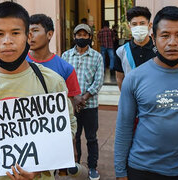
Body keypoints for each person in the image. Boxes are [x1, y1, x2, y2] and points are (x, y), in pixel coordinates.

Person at [0, 2, 76, 180]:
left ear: (28, 37)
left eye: (15, 33)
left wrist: (42, 164)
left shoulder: (51, 81)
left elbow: (69, 128)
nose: (7, 41)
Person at [114, 6, 178, 180]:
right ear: (154, 37)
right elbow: (124, 128)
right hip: (142, 169)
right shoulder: (134, 78)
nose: (172, 42)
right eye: (165, 35)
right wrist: (120, 172)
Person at [62, 24, 104, 180]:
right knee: (75, 136)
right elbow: (62, 79)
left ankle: (92, 167)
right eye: (78, 35)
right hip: (71, 104)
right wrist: (74, 98)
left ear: (90, 37)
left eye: (84, 35)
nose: (81, 37)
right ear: (74, 37)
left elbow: (98, 81)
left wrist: (84, 97)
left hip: (90, 105)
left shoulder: (97, 57)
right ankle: (75, 165)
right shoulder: (66, 56)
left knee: (91, 137)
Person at [26, 14, 81, 108]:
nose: (30, 35)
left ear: (49, 34)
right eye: (27, 32)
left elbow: (70, 107)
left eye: (35, 30)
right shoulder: (18, 64)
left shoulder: (66, 69)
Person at [114, 6, 155, 90]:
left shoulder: (159, 50)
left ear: (149, 25)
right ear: (130, 27)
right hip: (132, 99)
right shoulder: (121, 51)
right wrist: (126, 98)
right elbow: (119, 78)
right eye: (134, 24)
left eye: (142, 23)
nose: (138, 27)